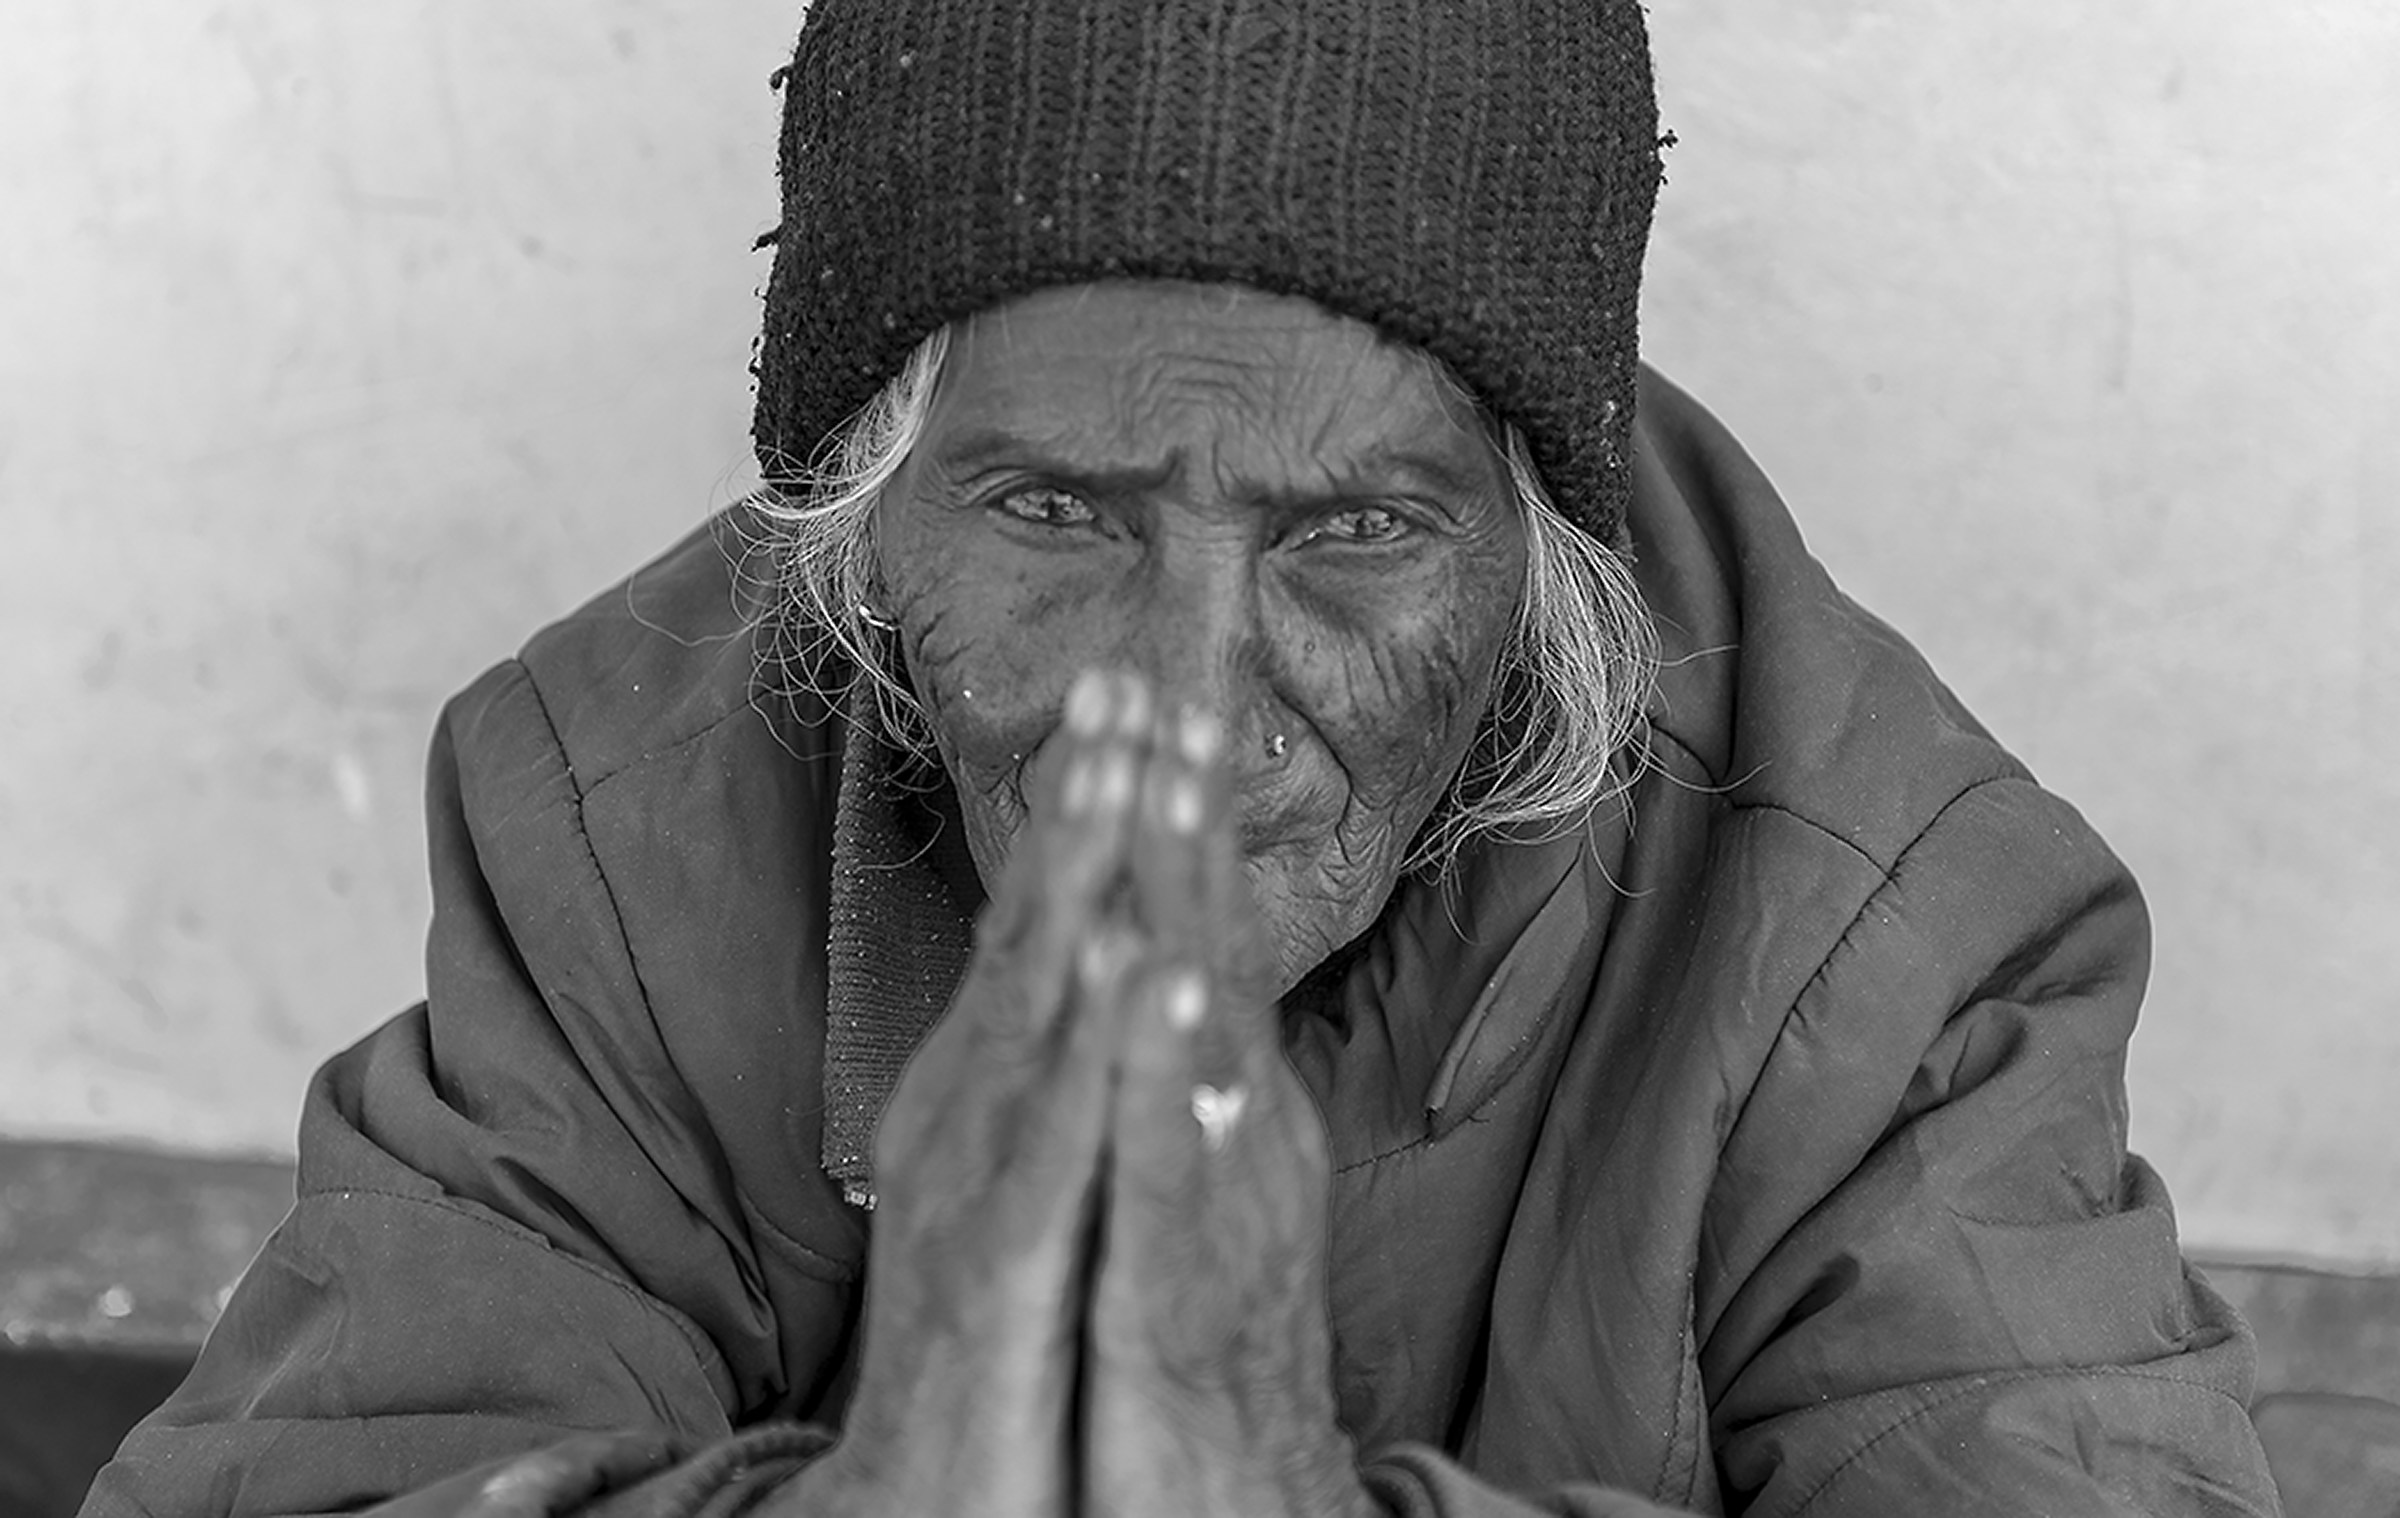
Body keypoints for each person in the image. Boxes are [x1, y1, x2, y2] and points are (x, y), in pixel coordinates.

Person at [83, 2, 2283, 1515]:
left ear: (1540, 555)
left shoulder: (1890, 936)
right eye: (1057, 512)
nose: (1192, 703)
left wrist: (1263, 1481)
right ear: (869, 509)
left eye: (1355, 535)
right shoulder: (617, 815)